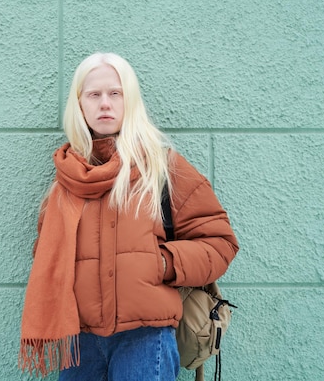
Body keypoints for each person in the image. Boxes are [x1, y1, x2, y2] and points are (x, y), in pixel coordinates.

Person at [19, 52, 239, 380]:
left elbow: (219, 242)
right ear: (79, 105)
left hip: (146, 340)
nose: (105, 103)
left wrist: (163, 262)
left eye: (115, 93)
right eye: (94, 95)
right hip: (79, 343)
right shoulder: (67, 179)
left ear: (130, 101)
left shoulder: (163, 168)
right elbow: (48, 255)